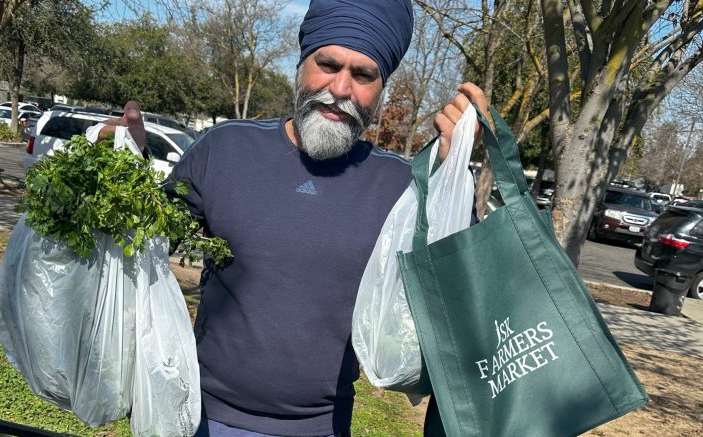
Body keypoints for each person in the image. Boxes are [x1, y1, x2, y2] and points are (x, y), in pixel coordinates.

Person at [101, 1, 486, 435]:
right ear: (301, 64)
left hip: (318, 426)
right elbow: (142, 242)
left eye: (363, 75)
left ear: (381, 89)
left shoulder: (401, 186)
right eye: (328, 64)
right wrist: (123, 168)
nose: (340, 88)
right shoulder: (226, 149)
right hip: (195, 415)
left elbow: (459, 289)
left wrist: (454, 179)